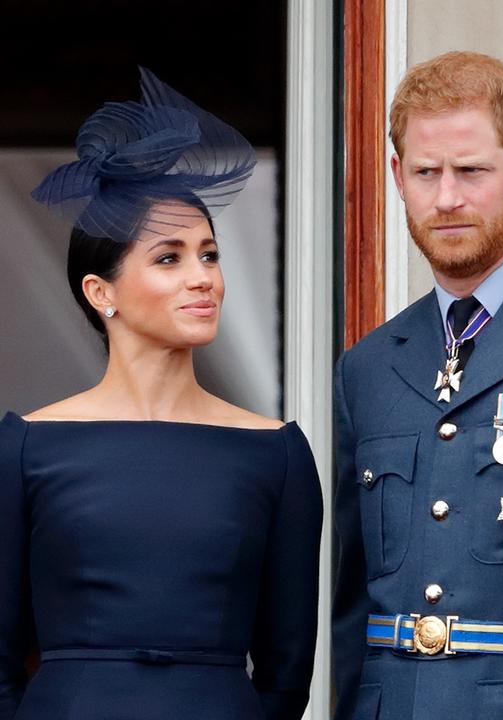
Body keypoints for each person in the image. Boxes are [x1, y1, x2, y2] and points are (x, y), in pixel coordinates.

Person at [0, 69, 323, 720]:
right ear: (102, 293)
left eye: (209, 254)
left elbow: (287, 675)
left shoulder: (278, 454)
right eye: (169, 258)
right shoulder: (26, 448)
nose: (203, 278)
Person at [331, 52, 503, 720]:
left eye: (471, 171)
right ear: (397, 176)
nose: (446, 197)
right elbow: (353, 605)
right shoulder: (367, 367)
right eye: (425, 172)